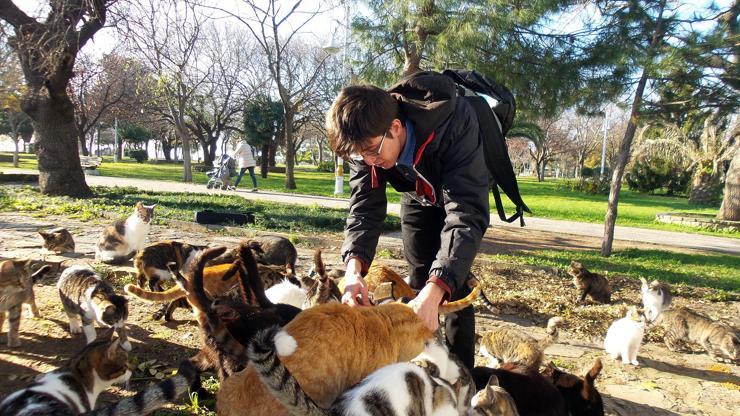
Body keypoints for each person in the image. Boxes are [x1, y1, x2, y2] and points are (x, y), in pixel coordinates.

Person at [326, 71, 490, 370]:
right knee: (419, 283)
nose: (368, 161)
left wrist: (439, 286)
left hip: (459, 191)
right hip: (417, 193)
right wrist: (353, 272)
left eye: (372, 152)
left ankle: (461, 375)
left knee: (449, 282)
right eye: (358, 157)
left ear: (396, 127)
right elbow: (364, 208)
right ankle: (424, 367)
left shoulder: (455, 122)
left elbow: (467, 213)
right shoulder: (366, 147)